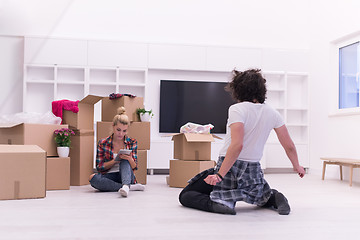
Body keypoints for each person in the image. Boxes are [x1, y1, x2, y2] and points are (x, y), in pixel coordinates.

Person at [179, 68, 306, 215]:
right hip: (253, 171)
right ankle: (272, 197)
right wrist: (297, 166)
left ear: (239, 90)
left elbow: (237, 145)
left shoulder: (237, 109)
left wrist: (219, 175)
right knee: (259, 193)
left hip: (229, 168)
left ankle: (219, 203)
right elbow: (289, 145)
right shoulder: (273, 113)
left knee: (186, 195)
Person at [89, 106, 145, 197]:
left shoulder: (132, 142)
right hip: (110, 177)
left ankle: (126, 185)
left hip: (126, 175)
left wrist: (129, 159)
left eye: (124, 131)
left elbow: (135, 167)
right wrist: (115, 160)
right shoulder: (103, 143)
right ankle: (129, 187)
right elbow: (99, 167)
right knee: (92, 178)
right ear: (113, 126)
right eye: (118, 130)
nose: (121, 134)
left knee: (125, 160)